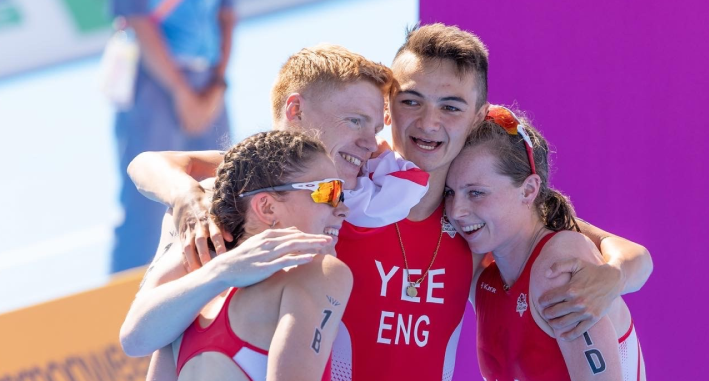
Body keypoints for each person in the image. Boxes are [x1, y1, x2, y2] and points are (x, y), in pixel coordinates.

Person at [121, 24, 653, 380]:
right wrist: (185, 195)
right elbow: (160, 163)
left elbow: (615, 248)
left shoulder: (467, 209)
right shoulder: (331, 183)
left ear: (477, 115)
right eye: (410, 102)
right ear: (389, 108)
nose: (428, 122)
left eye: (450, 107)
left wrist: (618, 274)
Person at [446, 105, 645, 380]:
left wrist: (619, 274)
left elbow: (638, 257)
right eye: (449, 192)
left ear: (528, 190)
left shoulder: (559, 265)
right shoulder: (484, 277)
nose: (456, 211)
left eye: (476, 193)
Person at [144, 130, 352, 381]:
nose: (343, 208)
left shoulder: (185, 307)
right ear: (267, 207)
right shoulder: (319, 271)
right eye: (328, 192)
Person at [110, 0, 236, 272]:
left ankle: (220, 274)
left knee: (223, 185)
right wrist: (182, 92)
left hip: (207, 86)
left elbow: (226, 16)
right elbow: (138, 20)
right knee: (147, 200)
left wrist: (217, 85)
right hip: (153, 85)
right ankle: (128, 293)